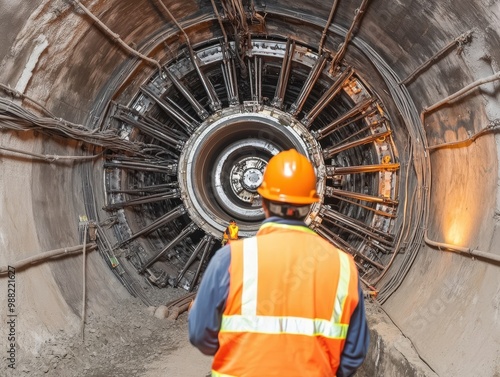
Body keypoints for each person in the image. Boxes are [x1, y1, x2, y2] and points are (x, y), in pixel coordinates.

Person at [189, 149, 369, 376]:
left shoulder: (231, 259)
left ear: (262, 201)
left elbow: (200, 334)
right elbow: (354, 355)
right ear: (312, 203)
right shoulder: (343, 267)